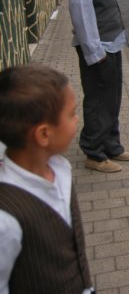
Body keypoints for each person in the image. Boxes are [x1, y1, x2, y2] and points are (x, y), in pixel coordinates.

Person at [0, 64, 94, 293]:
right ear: (44, 134)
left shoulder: (60, 169)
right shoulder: (6, 219)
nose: (77, 119)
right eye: (71, 114)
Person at [68, 0, 129, 173]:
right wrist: (96, 55)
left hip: (109, 47)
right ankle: (94, 153)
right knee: (98, 101)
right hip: (100, 52)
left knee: (111, 99)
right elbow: (83, 18)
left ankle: (111, 146)